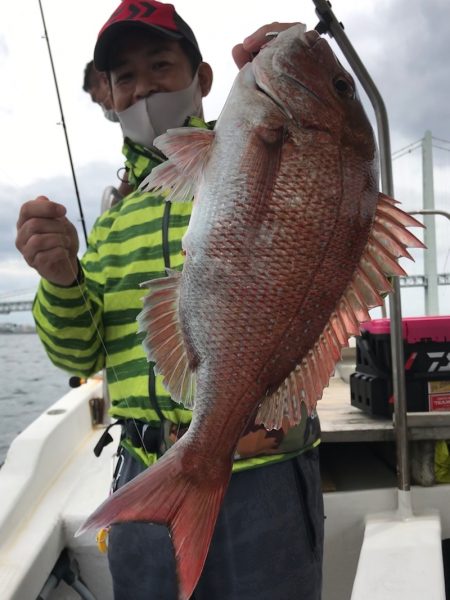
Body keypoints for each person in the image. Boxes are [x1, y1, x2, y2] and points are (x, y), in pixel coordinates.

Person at [15, 2, 324, 599]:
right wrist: (59, 280)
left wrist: (291, 62)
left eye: (160, 64)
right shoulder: (109, 225)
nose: (143, 88)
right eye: (124, 77)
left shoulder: (257, 160)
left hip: (264, 473)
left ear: (204, 79)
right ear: (107, 96)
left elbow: (326, 212)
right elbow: (79, 353)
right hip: (148, 470)